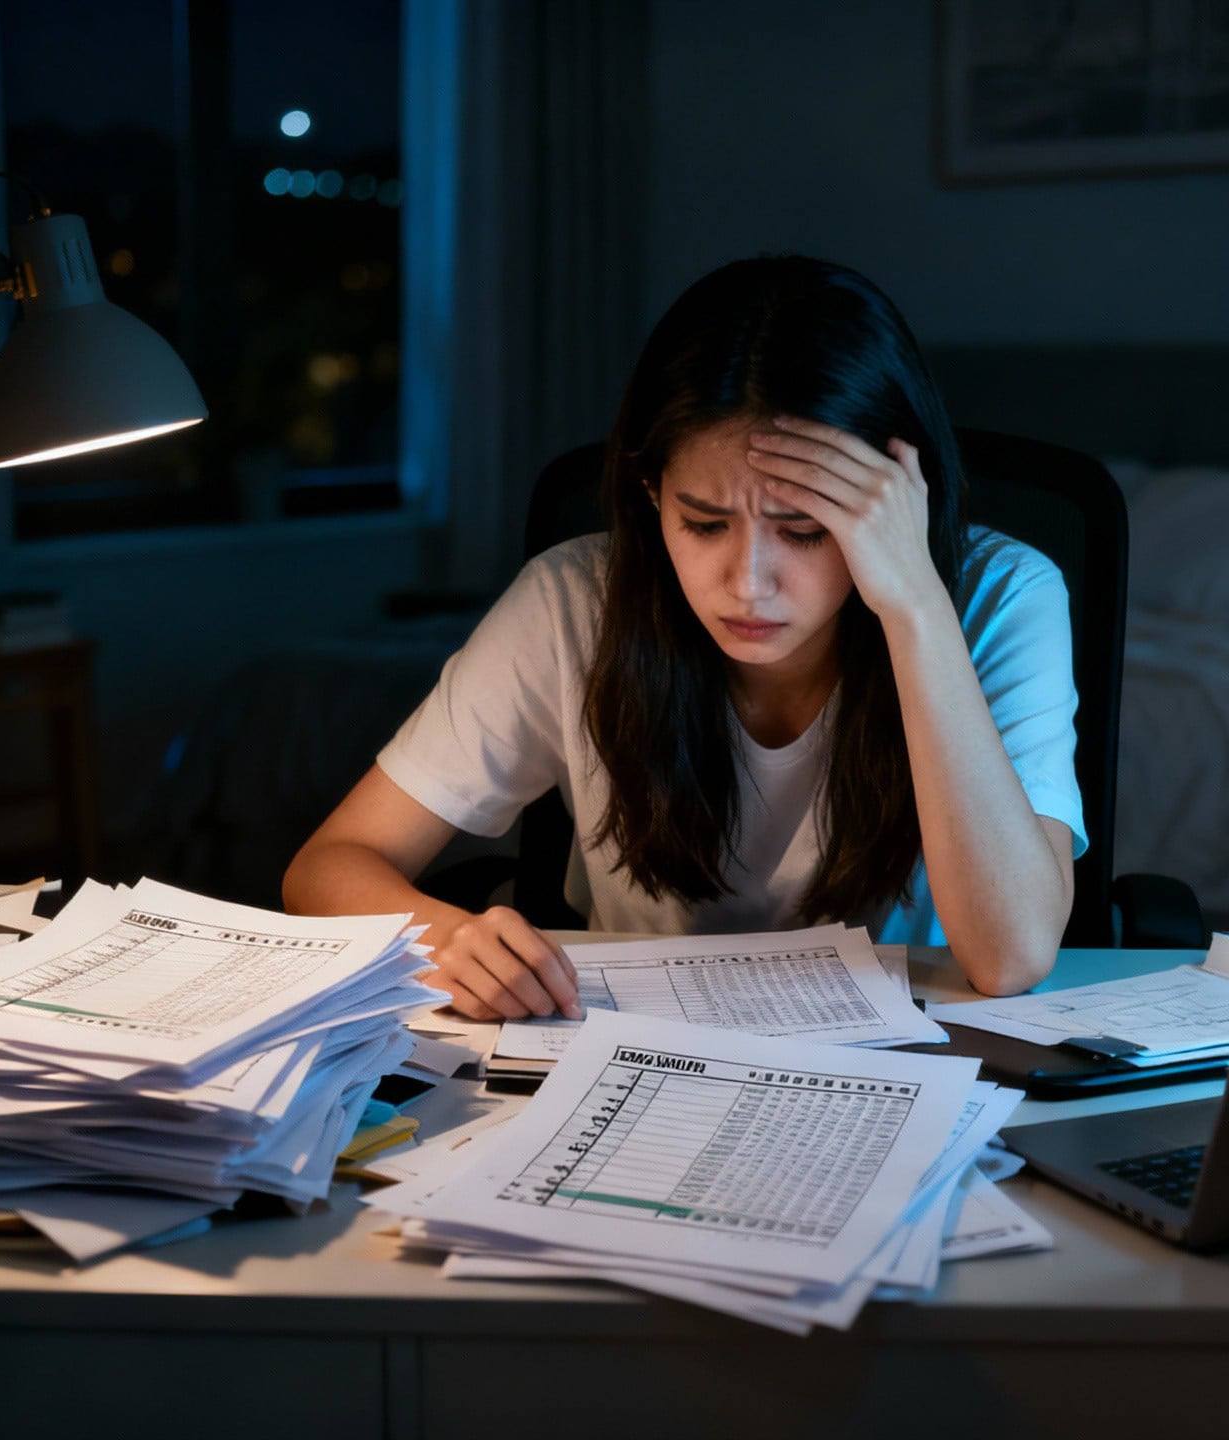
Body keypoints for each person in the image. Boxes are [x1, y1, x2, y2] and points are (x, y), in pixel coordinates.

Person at [285, 257, 1084, 1018]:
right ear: (650, 494)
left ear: (895, 507)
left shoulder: (1004, 596)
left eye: (805, 530)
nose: (747, 581)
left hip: (917, 1061)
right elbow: (326, 868)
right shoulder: (573, 602)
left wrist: (914, 607)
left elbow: (1010, 958)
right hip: (624, 1050)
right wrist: (448, 939)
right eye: (703, 523)